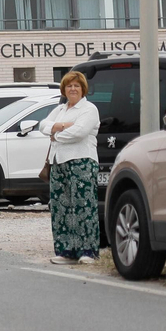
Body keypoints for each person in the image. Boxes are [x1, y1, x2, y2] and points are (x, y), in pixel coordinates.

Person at [41, 71, 102, 265]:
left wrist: (56, 134)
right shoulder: (60, 109)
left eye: (76, 86)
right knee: (61, 207)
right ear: (64, 89)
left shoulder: (89, 109)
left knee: (84, 206)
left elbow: (80, 132)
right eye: (69, 86)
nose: (73, 89)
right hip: (59, 162)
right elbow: (43, 125)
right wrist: (60, 125)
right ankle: (66, 250)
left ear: (83, 89)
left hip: (82, 161)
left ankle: (88, 250)